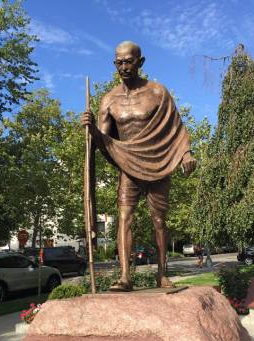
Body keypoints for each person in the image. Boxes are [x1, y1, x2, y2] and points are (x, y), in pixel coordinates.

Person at [81, 41, 196, 291]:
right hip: (128, 166)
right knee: (124, 217)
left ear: (140, 62)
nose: (123, 66)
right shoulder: (109, 100)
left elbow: (177, 126)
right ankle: (125, 277)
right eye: (119, 62)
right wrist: (91, 129)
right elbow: (104, 140)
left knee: (159, 222)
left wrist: (186, 154)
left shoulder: (157, 92)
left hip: (158, 163)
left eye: (128, 61)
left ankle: (162, 274)